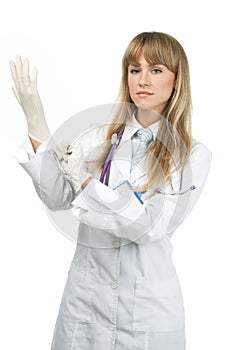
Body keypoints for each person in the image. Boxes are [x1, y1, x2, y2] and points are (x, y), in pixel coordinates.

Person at [10, 31, 212, 350]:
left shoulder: (192, 155)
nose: (142, 79)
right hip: (85, 306)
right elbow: (58, 197)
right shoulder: (99, 138)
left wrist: (87, 183)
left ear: (176, 80)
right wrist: (37, 126)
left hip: (147, 315)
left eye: (155, 70)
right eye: (134, 70)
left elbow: (148, 227)